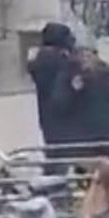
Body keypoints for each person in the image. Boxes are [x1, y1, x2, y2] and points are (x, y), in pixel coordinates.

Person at [27, 22, 79, 152]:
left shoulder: (40, 58)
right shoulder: (58, 59)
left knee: (54, 150)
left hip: (47, 114)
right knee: (63, 153)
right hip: (62, 115)